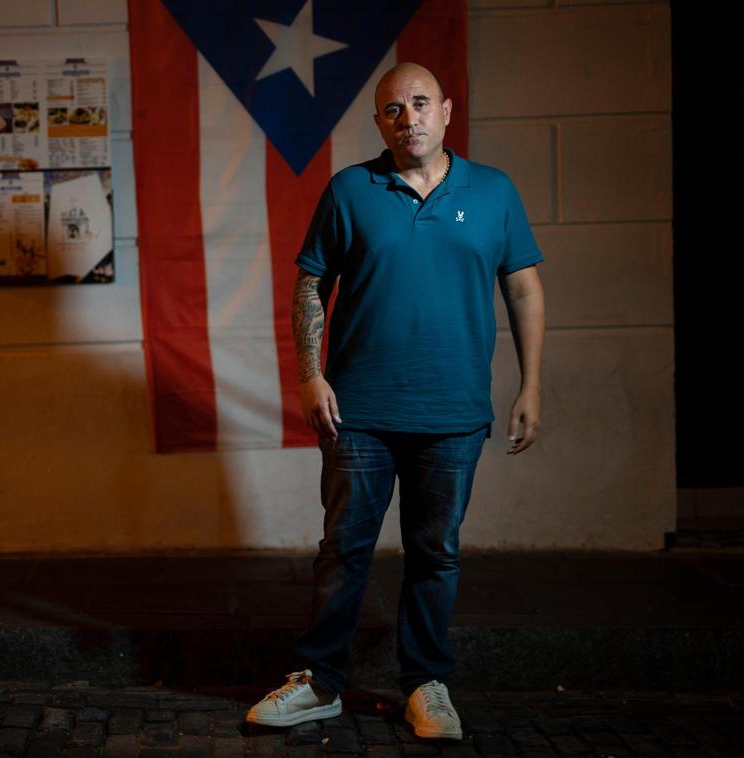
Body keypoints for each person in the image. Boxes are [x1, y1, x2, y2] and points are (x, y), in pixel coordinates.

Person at [246, 62, 546, 740]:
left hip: (453, 412)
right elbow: (311, 283)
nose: (408, 118)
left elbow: (523, 287)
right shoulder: (351, 190)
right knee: (343, 549)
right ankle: (320, 683)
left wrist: (531, 383)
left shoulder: (493, 191)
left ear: (446, 110)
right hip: (357, 411)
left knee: (435, 552)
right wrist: (310, 375)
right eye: (393, 109)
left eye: (420, 103)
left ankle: (425, 684)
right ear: (380, 122)